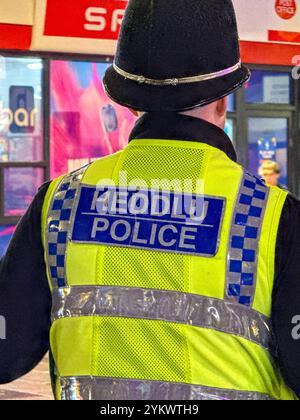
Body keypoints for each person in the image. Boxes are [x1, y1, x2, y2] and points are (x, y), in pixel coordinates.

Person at [0, 0, 300, 401]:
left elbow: (7, 351)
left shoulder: (60, 203)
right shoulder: (274, 217)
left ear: (130, 102)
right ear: (222, 101)